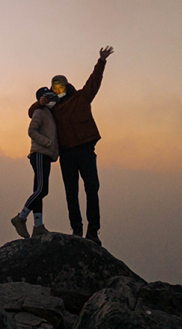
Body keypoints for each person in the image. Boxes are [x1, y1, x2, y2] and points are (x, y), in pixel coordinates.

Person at [29, 46, 114, 246]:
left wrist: (101, 61)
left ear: (67, 85)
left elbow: (95, 81)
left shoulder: (81, 98)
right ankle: (77, 230)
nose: (59, 90)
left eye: (61, 86)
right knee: (71, 193)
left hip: (85, 149)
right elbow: (32, 112)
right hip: (67, 153)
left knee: (92, 188)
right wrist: (40, 102)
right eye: (54, 87)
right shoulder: (53, 108)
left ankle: (92, 231)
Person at [11, 87, 59, 239]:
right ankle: (21, 218)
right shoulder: (39, 112)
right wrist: (46, 143)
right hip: (39, 153)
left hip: (45, 154)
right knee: (42, 189)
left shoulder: (50, 113)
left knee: (39, 190)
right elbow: (31, 131)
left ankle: (38, 226)